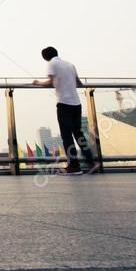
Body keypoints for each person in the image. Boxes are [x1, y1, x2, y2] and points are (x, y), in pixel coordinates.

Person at [32, 47, 100, 175]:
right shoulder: (70, 64)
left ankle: (74, 167)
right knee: (79, 134)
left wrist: (37, 82)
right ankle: (92, 162)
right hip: (76, 103)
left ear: (45, 57)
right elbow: (79, 83)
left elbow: (50, 82)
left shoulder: (51, 64)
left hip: (64, 103)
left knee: (67, 136)